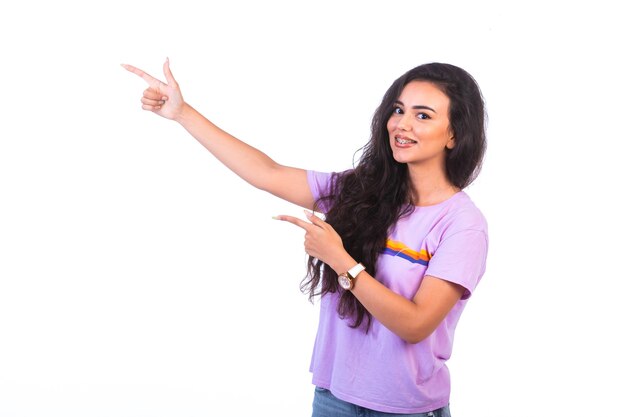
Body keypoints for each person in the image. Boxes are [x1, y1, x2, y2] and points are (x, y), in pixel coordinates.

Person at [122, 58, 488, 417]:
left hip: (404, 409)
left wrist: (341, 260)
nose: (402, 124)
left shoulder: (462, 224)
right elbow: (267, 172)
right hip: (334, 397)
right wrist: (183, 113)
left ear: (454, 133)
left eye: (423, 115)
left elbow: (416, 324)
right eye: (398, 110)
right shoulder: (360, 191)